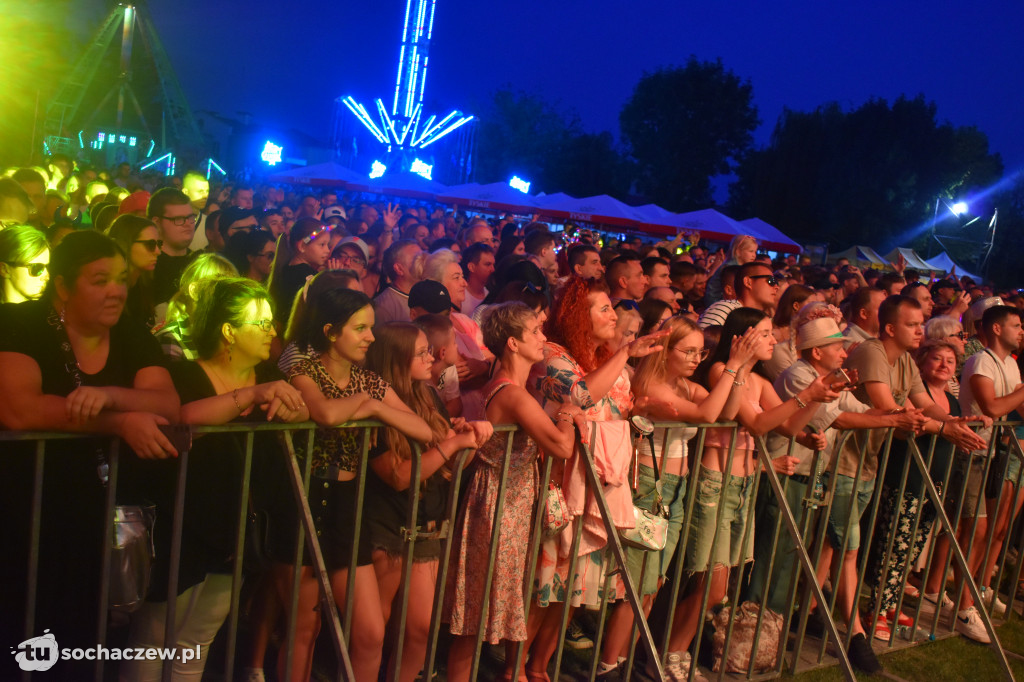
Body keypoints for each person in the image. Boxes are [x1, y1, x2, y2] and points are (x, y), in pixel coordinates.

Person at [0, 231, 179, 674]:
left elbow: (167, 403)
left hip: (97, 519)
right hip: (23, 513)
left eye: (120, 278)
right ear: (63, 286)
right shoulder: (17, 322)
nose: (116, 290)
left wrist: (112, 397)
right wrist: (118, 421)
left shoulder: (131, 333)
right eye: (99, 280)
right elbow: (20, 410)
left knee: (84, 642)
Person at [123, 278, 308, 681]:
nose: (272, 332)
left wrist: (295, 412)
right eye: (261, 323)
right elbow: (184, 418)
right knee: (155, 634)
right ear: (228, 331)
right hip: (183, 528)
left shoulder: (270, 377)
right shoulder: (185, 375)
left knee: (200, 634)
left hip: (235, 529)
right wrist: (252, 396)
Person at [663, 307, 841, 678]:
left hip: (743, 486)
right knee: (710, 585)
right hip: (715, 485)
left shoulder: (758, 381)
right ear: (741, 338)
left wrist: (818, 398)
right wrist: (808, 392)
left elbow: (789, 424)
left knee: (720, 587)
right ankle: (670, 652)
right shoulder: (719, 371)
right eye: (764, 333)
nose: (773, 340)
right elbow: (758, 423)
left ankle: (672, 650)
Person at [284, 288, 433, 681]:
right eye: (361, 328)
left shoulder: (369, 381)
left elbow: (423, 431)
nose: (371, 336)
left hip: (348, 508)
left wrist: (376, 406)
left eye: (371, 327)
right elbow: (327, 414)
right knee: (303, 629)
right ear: (331, 332)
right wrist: (366, 403)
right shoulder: (303, 372)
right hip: (305, 503)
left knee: (369, 633)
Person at [598, 315, 758, 680]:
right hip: (651, 484)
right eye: (688, 351)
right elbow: (707, 414)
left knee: (654, 584)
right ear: (665, 351)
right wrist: (732, 365)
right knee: (637, 585)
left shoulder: (684, 386)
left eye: (701, 353)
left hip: (676, 486)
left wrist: (742, 367)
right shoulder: (653, 387)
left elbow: (728, 411)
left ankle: (625, 665)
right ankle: (609, 665)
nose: (696, 359)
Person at [525, 276, 667, 679]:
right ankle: (516, 669)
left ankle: (539, 669)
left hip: (595, 485)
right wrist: (623, 354)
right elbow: (579, 396)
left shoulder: (600, 353)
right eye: (603, 308)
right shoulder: (552, 355)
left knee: (570, 589)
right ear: (576, 314)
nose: (613, 314)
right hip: (555, 480)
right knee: (544, 585)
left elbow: (620, 403)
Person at [445, 302, 586, 682]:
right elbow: (561, 446)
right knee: (475, 609)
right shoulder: (512, 393)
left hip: (512, 498)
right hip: (499, 501)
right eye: (535, 332)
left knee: (501, 600)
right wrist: (568, 414)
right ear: (513, 342)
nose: (544, 338)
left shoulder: (517, 386)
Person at [838, 295, 986, 648]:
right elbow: (891, 411)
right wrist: (945, 429)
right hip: (840, 461)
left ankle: (843, 614)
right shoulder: (874, 352)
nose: (921, 330)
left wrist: (955, 422)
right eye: (912, 324)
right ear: (890, 328)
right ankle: (839, 618)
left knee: (846, 549)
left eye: (921, 324)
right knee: (840, 547)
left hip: (866, 463)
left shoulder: (903, 358)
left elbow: (925, 406)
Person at [364, 323, 491, 682]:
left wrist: (466, 441)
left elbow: (446, 468)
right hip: (387, 525)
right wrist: (450, 445)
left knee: (420, 629)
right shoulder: (376, 405)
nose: (431, 357)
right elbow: (399, 475)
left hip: (426, 523)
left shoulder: (429, 395)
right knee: (375, 631)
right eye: (420, 352)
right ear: (395, 358)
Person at [154, 253, 238, 361]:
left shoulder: (224, 336)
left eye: (232, 290)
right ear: (194, 291)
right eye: (220, 288)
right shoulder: (171, 338)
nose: (228, 297)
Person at [267, 218, 331, 325]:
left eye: (328, 245)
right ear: (302, 246)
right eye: (322, 244)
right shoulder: (309, 277)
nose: (327, 250)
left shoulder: (286, 268)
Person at [107, 214, 160, 327]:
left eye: (158, 244)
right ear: (127, 244)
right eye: (150, 244)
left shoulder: (143, 283)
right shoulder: (110, 290)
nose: (158, 251)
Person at [148, 187, 198, 305]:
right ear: (157, 223)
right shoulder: (149, 268)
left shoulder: (199, 262)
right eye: (179, 219)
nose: (188, 224)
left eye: (191, 218)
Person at [374, 239, 423, 324]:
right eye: (416, 259)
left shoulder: (428, 293)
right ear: (399, 269)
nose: (424, 261)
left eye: (423, 256)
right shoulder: (384, 307)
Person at [0, 224, 49, 303]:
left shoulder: (49, 312)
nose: (46, 276)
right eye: (37, 268)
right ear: (4, 269)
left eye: (47, 266)